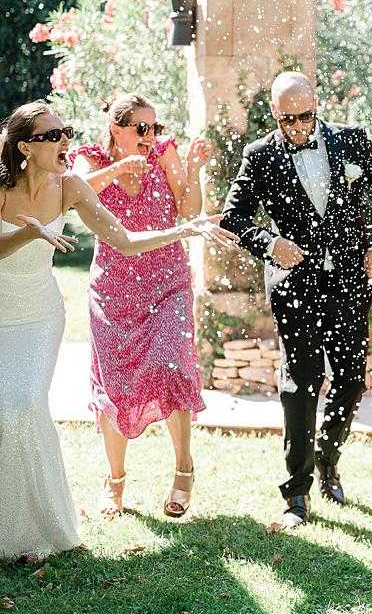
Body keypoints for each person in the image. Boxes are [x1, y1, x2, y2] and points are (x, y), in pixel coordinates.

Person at [0, 102, 233, 562]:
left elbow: (123, 240)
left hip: (39, 315)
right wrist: (29, 234)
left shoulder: (70, 186)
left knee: (23, 405)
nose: (64, 141)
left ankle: (46, 527)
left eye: (66, 132)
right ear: (25, 147)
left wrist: (184, 229)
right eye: (52, 136)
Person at [221, 71, 372, 527]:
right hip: (294, 285)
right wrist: (270, 243)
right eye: (288, 119)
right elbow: (234, 217)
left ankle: (328, 459)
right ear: (274, 113)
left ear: (317, 105)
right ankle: (297, 491)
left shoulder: (352, 141)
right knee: (300, 384)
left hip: (348, 281)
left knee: (351, 380)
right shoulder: (259, 156)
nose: (299, 127)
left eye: (306, 116)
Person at [71, 93, 214, 518]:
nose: (151, 136)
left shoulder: (164, 153)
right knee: (114, 385)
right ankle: (114, 482)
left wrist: (194, 169)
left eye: (155, 127)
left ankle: (184, 469)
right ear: (117, 130)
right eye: (142, 128)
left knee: (173, 363)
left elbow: (187, 210)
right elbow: (74, 193)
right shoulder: (91, 160)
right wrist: (118, 169)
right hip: (113, 291)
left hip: (168, 282)